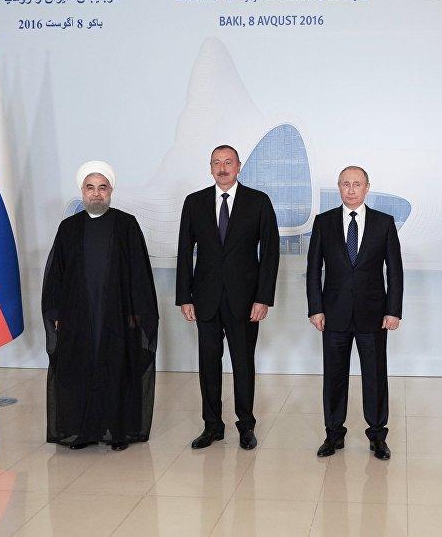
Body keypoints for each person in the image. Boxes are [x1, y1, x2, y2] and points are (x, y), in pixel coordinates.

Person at [42, 161, 160, 451]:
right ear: (82, 191)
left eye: (102, 188)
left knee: (116, 370)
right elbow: (56, 273)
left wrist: (138, 314)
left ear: (111, 191)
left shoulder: (126, 225)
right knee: (80, 370)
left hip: (117, 315)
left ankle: (118, 432)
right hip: (78, 315)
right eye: (90, 188)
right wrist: (56, 313)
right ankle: (83, 431)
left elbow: (139, 272)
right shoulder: (69, 228)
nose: (96, 193)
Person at [176, 145, 280, 450]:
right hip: (205, 299)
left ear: (238, 166)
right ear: (210, 168)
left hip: (245, 301)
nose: (222, 168)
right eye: (217, 163)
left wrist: (263, 298)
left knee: (243, 364)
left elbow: (270, 253)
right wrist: (185, 297)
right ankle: (212, 426)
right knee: (208, 365)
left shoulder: (258, 202)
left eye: (228, 162)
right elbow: (184, 251)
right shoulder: (194, 202)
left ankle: (246, 426)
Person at [306, 166, 403, 460]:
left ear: (367, 188)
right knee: (334, 377)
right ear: (339, 187)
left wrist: (393, 310)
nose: (351, 190)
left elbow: (394, 271)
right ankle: (333, 434)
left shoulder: (384, 223)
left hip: (373, 316)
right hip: (333, 314)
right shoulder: (323, 222)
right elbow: (313, 269)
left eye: (356, 184)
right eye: (345, 184)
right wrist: (315, 308)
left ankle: (377, 436)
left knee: (375, 377)